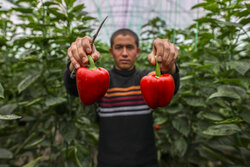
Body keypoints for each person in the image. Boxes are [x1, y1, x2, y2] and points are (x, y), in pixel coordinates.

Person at [64, 28, 180, 167]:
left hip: (146, 161)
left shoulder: (146, 80)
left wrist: (169, 65)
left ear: (137, 52)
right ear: (111, 52)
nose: (124, 53)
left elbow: (172, 86)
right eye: (119, 47)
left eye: (129, 47)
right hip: (109, 162)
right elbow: (72, 89)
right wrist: (74, 64)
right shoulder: (103, 80)